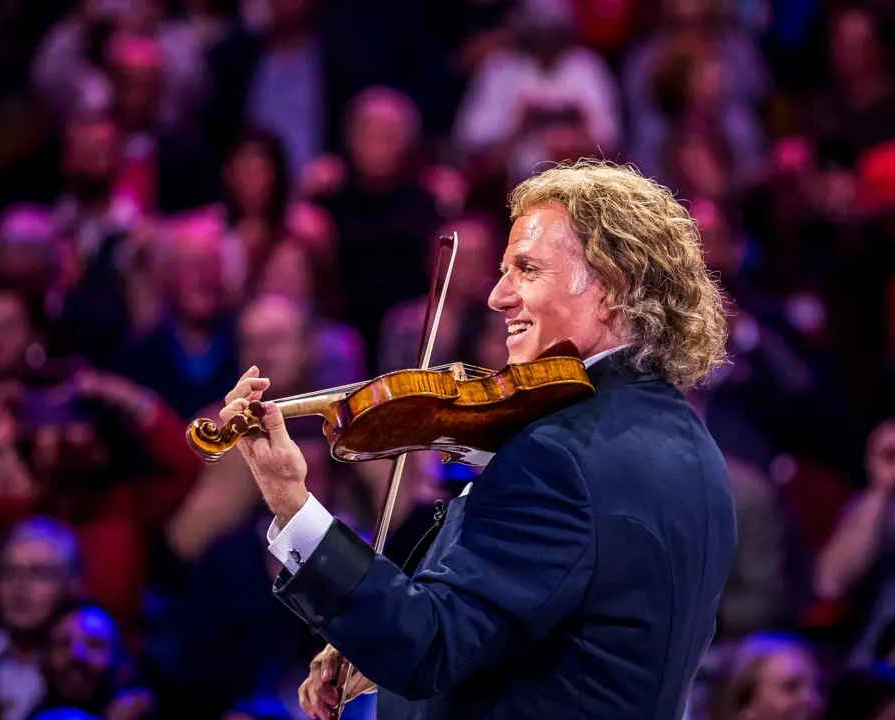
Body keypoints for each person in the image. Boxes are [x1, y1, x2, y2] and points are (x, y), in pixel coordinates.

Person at [218, 159, 736, 719]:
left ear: (609, 287)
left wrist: (292, 502)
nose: (496, 296)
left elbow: (429, 645)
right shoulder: (695, 446)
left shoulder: (555, 456)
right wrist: (375, 640)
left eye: (526, 269)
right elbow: (570, 629)